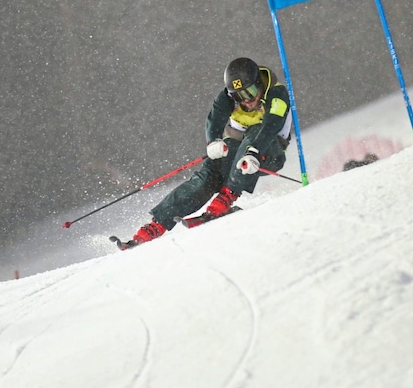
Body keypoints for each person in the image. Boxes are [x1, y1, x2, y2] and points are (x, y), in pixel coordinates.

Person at [123, 57, 293, 247]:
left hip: (268, 153)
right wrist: (213, 142)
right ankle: (158, 223)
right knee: (209, 174)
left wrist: (254, 151)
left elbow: (271, 125)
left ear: (259, 84)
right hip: (239, 152)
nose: (246, 100)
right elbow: (214, 120)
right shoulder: (226, 98)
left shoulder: (277, 94)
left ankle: (228, 195)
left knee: (253, 135)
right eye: (238, 96)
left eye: (250, 91)